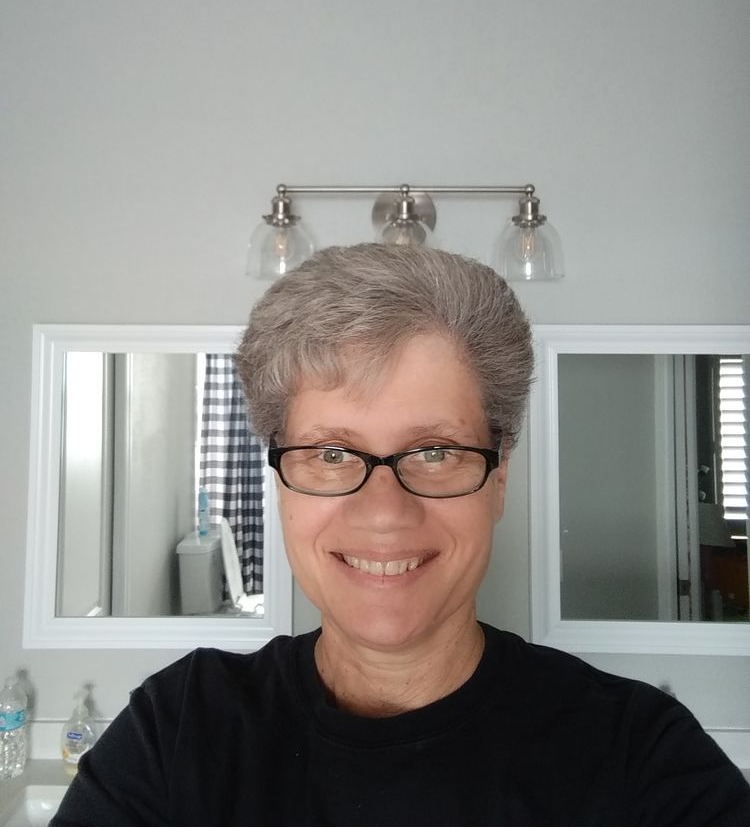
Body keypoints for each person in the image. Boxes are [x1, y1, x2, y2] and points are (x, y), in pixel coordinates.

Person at [53, 244, 750, 826]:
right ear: (280, 479)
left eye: (435, 451)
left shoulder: (640, 758)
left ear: (499, 476)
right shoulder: (179, 731)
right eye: (332, 453)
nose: (384, 512)